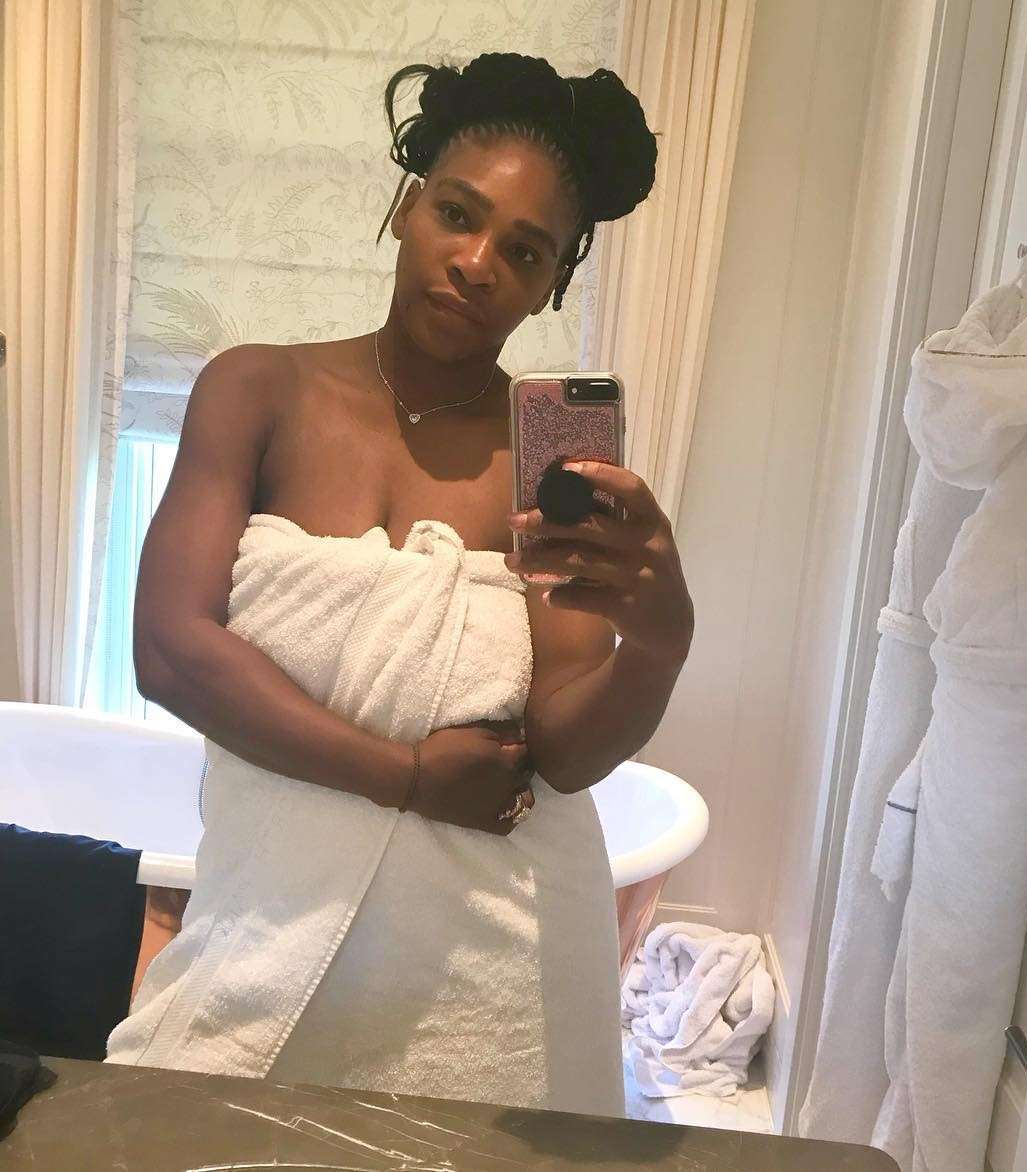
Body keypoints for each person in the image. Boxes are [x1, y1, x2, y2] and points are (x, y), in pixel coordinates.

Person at [104, 52, 694, 1118]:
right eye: (456, 215)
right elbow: (170, 649)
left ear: (553, 283)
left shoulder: (546, 457)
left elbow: (563, 749)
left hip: (500, 973)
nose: (477, 263)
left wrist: (659, 644)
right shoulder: (257, 388)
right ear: (404, 207)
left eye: (524, 251)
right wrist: (406, 775)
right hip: (266, 930)